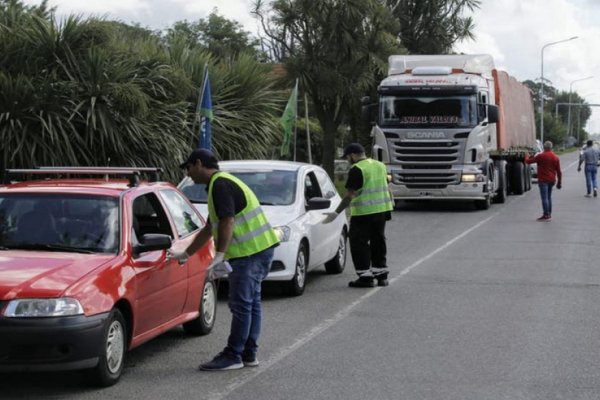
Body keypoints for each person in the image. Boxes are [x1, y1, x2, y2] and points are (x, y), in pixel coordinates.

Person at [170, 148, 280, 371]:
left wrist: (220, 255)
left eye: (189, 168)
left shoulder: (219, 185)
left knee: (241, 305)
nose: (188, 175)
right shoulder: (220, 184)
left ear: (199, 163)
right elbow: (210, 227)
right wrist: (187, 254)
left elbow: (227, 221)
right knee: (251, 303)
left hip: (249, 254)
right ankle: (248, 353)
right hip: (260, 250)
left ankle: (234, 355)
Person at [323, 143, 393, 288]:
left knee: (358, 244)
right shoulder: (380, 165)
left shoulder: (357, 169)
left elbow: (350, 195)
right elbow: (386, 184)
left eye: (348, 157)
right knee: (378, 242)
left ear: (353, 155)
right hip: (381, 211)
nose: (348, 160)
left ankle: (365, 277)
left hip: (363, 213)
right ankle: (381, 277)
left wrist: (336, 212)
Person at [524, 140, 562, 221]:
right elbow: (559, 171)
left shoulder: (541, 156)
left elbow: (528, 161)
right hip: (552, 180)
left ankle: (546, 215)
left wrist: (526, 155)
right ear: (551, 148)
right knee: (549, 197)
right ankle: (549, 214)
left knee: (544, 198)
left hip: (543, 180)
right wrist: (559, 182)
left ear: (544, 147)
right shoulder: (556, 157)